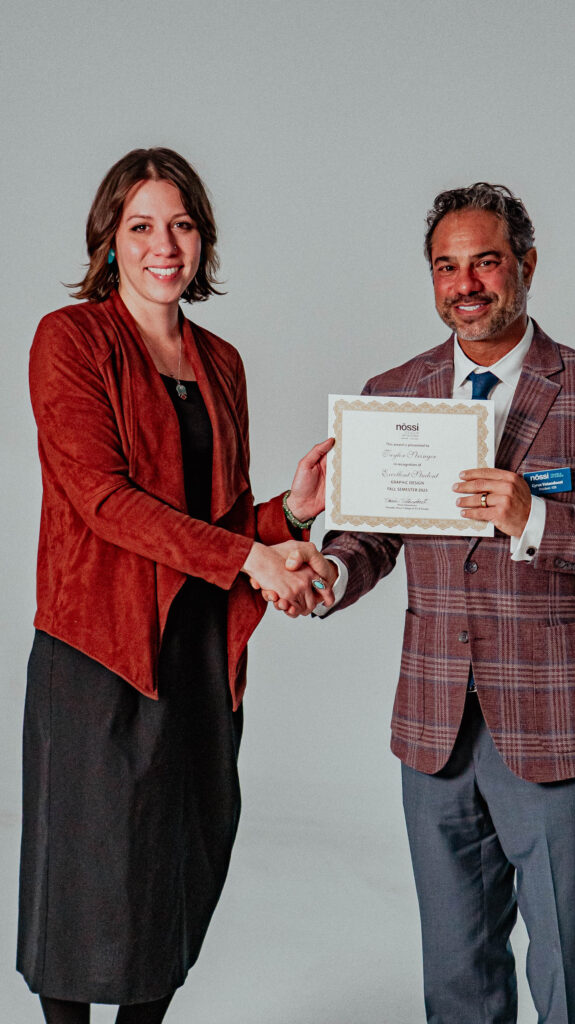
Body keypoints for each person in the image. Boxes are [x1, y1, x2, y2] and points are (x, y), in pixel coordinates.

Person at [263, 183, 575, 1022]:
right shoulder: (395, 391)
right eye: (445, 267)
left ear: (525, 265)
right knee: (456, 976)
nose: (465, 284)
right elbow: (371, 537)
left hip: (558, 729)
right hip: (435, 731)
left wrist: (538, 521)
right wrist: (328, 573)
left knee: (569, 976)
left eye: (484, 262)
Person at [18, 147, 335, 1024]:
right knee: (86, 884)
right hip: (102, 650)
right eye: (142, 226)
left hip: (199, 652)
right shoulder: (70, 339)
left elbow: (219, 519)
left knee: (182, 866)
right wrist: (251, 558)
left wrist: (288, 516)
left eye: (182, 224)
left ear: (204, 240)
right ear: (109, 239)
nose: (165, 245)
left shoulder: (220, 360)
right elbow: (103, 499)